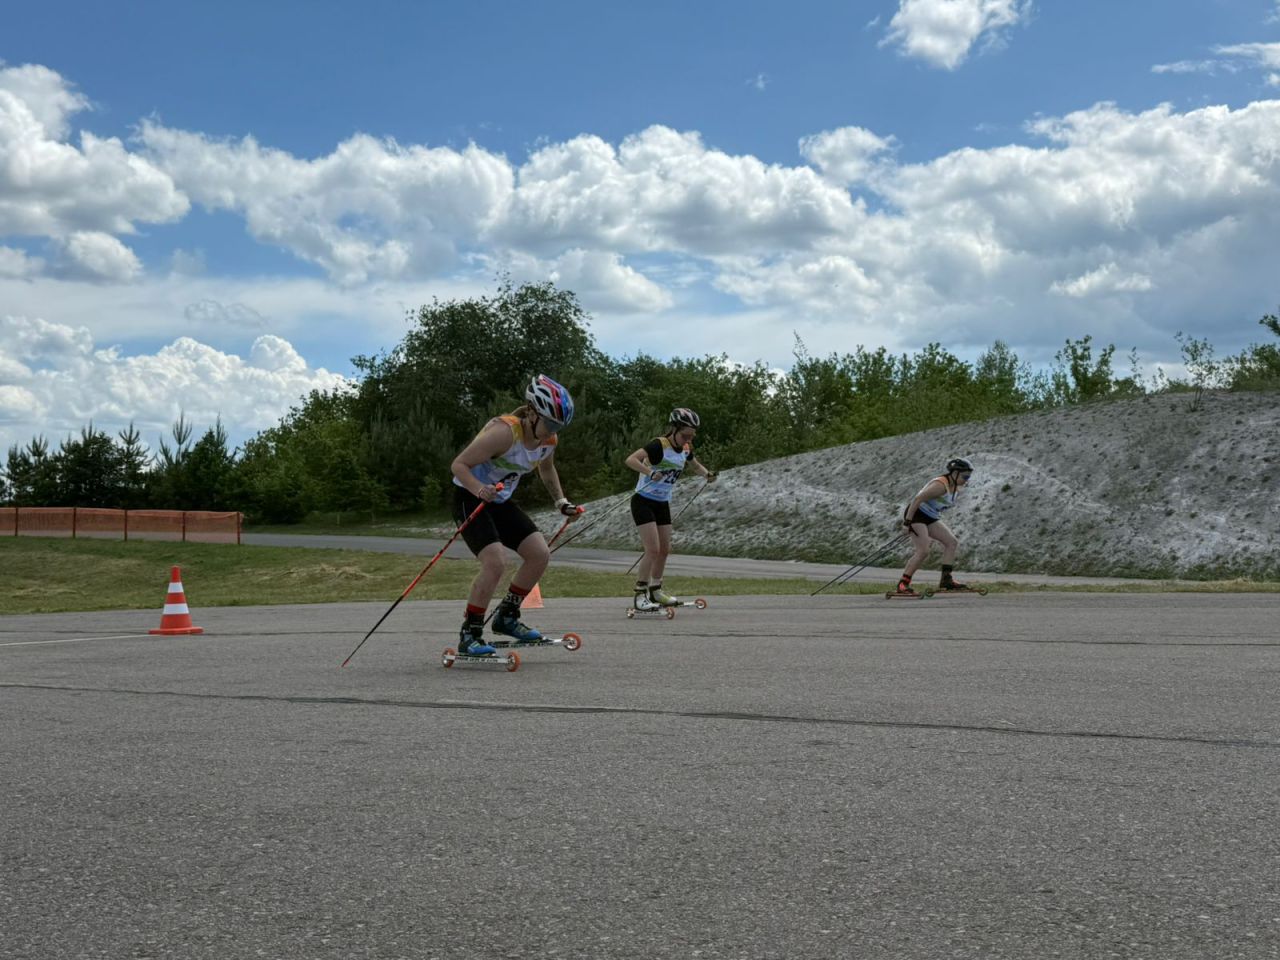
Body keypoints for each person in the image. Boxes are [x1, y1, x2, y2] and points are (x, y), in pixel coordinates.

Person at [449, 374, 581, 655]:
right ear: (532, 413)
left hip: (500, 501)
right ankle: (470, 633)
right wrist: (479, 488)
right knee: (495, 562)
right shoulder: (504, 433)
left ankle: (507, 617)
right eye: (551, 423)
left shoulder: (548, 440)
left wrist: (561, 502)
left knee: (539, 554)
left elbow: (547, 468)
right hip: (469, 496)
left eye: (559, 426)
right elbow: (459, 464)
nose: (553, 431)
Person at [623, 407, 716, 610]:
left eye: (691, 436)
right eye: (685, 436)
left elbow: (695, 465)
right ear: (675, 429)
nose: (687, 440)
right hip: (643, 501)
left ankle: (656, 591)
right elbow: (631, 460)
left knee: (665, 550)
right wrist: (649, 472)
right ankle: (640, 595)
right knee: (652, 549)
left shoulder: (685, 448)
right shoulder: (659, 445)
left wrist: (707, 474)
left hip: (662, 503)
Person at [895, 457, 974, 596]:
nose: (967, 480)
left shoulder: (955, 486)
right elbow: (917, 499)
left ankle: (946, 580)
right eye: (965, 477)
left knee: (951, 542)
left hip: (930, 516)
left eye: (968, 477)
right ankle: (903, 584)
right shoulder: (940, 485)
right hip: (917, 514)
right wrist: (907, 523)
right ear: (955, 473)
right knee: (924, 550)